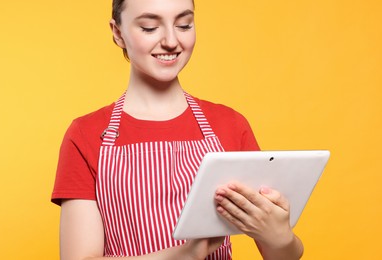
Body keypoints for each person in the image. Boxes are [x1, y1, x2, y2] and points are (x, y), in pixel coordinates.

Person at [51, 0, 304, 259]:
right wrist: (184, 254)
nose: (171, 41)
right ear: (118, 33)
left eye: (184, 24)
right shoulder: (85, 134)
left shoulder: (230, 125)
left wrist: (280, 238)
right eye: (150, 28)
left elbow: (282, 255)